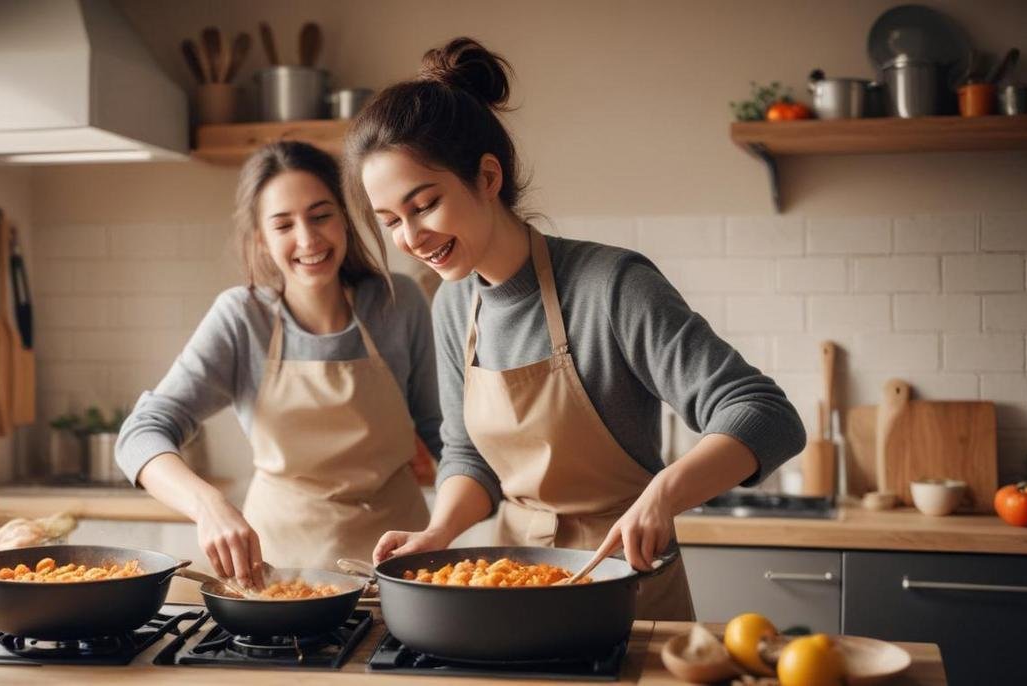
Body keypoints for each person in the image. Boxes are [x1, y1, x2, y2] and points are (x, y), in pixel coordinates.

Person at [344, 38, 805, 620]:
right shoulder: (454, 306)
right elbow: (468, 456)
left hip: (627, 587)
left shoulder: (612, 286)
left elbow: (766, 414)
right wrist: (438, 532)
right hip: (510, 590)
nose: (411, 238)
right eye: (391, 221)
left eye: (425, 205)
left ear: (487, 177)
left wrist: (663, 494)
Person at [116, 141, 439, 585]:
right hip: (279, 573)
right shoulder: (242, 317)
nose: (308, 239)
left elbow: (444, 433)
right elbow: (140, 432)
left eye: (321, 215)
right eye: (284, 224)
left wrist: (455, 527)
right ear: (261, 240)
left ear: (345, 217)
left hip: (401, 567)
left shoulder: (398, 302)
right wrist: (208, 506)